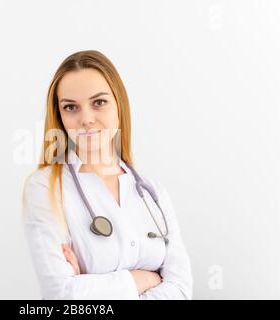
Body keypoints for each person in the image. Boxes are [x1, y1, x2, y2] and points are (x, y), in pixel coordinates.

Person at [21, 50, 193, 300]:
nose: (86, 119)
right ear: (59, 115)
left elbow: (181, 290)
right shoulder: (45, 188)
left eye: (98, 102)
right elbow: (62, 295)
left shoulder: (152, 192)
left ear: (118, 104)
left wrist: (92, 287)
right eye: (71, 107)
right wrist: (145, 279)